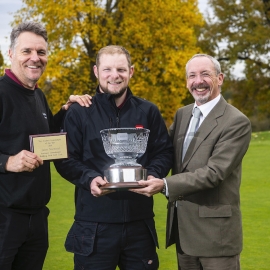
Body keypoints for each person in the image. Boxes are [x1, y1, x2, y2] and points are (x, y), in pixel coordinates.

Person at [54, 45, 173, 270]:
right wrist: (89, 178)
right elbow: (65, 159)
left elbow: (164, 152)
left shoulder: (148, 111)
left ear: (132, 71)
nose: (114, 75)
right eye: (107, 69)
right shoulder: (79, 112)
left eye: (121, 69)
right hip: (93, 225)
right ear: (96, 71)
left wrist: (153, 175)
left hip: (139, 224)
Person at [132, 54, 252, 270]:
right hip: (184, 232)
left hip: (216, 237)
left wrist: (165, 184)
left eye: (205, 74)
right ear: (187, 81)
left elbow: (214, 172)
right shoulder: (182, 115)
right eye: (192, 76)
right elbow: (163, 151)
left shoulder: (236, 122)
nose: (198, 81)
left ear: (220, 78)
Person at [0, 21, 92, 270]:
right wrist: (7, 162)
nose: (35, 58)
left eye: (41, 52)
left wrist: (66, 111)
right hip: (5, 217)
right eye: (26, 51)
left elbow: (45, 138)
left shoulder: (38, 95)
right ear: (10, 54)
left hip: (37, 217)